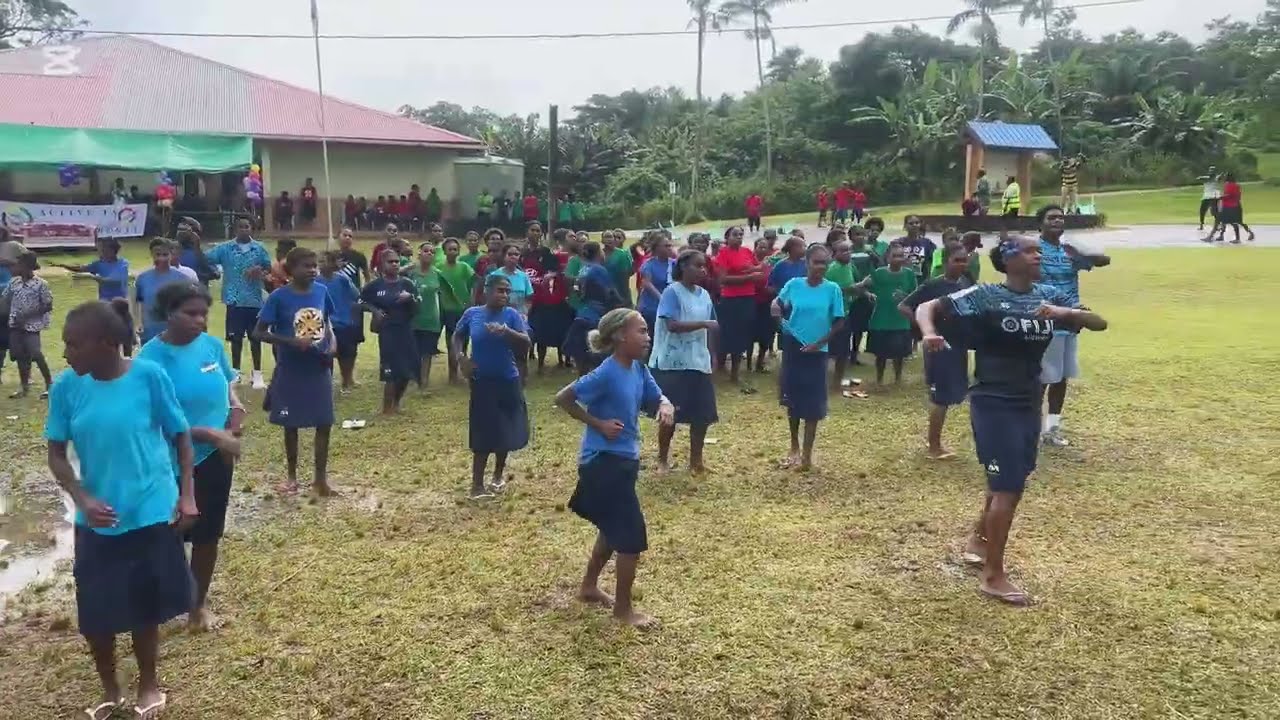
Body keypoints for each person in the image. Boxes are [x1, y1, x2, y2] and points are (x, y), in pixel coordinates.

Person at [915, 235, 1108, 605]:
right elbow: (927, 307)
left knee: (1012, 475)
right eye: (1031, 251)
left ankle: (979, 537)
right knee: (1008, 487)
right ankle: (993, 574)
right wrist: (929, 334)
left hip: (1028, 398)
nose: (1039, 256)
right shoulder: (985, 295)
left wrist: (1067, 314)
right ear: (1009, 259)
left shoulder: (1050, 294)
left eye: (1039, 251)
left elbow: (1098, 322)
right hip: (993, 400)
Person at [46, 300, 196, 720]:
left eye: (74, 345)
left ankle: (148, 683)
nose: (67, 353)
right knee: (96, 609)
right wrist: (83, 498)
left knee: (144, 606)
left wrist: (187, 495)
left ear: (108, 344)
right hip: (96, 519)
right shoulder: (67, 387)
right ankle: (110, 688)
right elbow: (56, 454)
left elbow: (180, 436)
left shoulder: (149, 377)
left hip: (148, 508)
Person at [555, 308, 675, 628]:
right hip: (602, 463)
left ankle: (589, 587)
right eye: (642, 331)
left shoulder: (637, 368)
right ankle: (623, 610)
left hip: (624, 461)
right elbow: (563, 398)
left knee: (613, 528)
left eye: (648, 332)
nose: (648, 337)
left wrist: (665, 404)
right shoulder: (606, 373)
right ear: (621, 336)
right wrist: (598, 423)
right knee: (631, 536)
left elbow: (656, 395)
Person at [138, 282, 245, 632]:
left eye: (203, 313)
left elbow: (227, 383)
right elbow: (151, 418)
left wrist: (235, 406)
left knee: (207, 535)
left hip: (215, 458)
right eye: (191, 313)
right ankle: (163, 603)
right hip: (169, 461)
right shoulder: (151, 360)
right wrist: (208, 433)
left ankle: (197, 607)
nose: (200, 320)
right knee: (169, 534)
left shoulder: (212, 347)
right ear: (168, 313)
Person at [254, 248, 337, 496]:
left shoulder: (322, 291)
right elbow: (258, 332)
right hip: (291, 368)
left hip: (319, 366)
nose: (312, 270)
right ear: (291, 270)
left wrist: (332, 343)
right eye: (306, 266)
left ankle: (320, 479)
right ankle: (292, 477)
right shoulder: (279, 297)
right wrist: (290, 342)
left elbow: (327, 321)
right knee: (291, 425)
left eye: (315, 265)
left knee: (324, 422)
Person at [1036, 204, 1112, 447]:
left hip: (1071, 320)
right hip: (1045, 320)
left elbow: (1104, 260)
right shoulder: (1034, 250)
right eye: (1051, 218)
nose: (1057, 221)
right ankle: (1031, 427)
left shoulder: (1069, 251)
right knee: (1042, 378)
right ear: (1041, 223)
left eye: (1060, 218)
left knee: (1061, 378)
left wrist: (1080, 250)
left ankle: (1052, 428)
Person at [454, 274, 531, 498]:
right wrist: (461, 358)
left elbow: (526, 343)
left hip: (508, 379)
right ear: (486, 291)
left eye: (507, 291)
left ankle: (497, 476)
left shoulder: (512, 315)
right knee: (482, 432)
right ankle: (477, 485)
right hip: (481, 381)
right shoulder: (473, 314)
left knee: (505, 430)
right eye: (500, 290)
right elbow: (458, 336)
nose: (504, 295)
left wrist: (506, 331)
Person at [772, 244, 845, 470]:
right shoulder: (793, 285)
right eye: (816, 262)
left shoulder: (832, 289)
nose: (820, 267)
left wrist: (820, 343)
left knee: (813, 404)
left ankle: (807, 455)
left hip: (817, 352)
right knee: (793, 400)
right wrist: (776, 313)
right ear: (807, 263)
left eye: (825, 262)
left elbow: (839, 320)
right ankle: (794, 446)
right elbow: (777, 304)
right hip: (794, 348)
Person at [899, 244, 973, 459]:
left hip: (959, 345)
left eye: (964, 260)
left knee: (952, 393)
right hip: (939, 347)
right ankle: (933, 446)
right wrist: (925, 327)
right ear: (946, 261)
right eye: (957, 260)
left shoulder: (966, 283)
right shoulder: (933, 285)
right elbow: (904, 306)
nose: (961, 264)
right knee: (939, 396)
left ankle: (937, 442)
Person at [650, 250, 718, 474]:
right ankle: (662, 460)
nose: (703, 270)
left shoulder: (705, 295)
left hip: (698, 361)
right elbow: (672, 325)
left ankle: (696, 462)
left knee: (702, 415)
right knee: (671, 415)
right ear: (683, 267)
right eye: (697, 266)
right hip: (673, 362)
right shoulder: (672, 293)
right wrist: (703, 324)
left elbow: (712, 326)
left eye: (704, 266)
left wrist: (712, 355)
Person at [204, 217, 272, 389]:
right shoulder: (225, 248)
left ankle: (257, 373)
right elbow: (206, 259)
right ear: (235, 230)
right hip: (233, 299)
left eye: (247, 226)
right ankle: (235, 371)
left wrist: (261, 270)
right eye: (240, 227)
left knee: (255, 337)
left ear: (251, 229)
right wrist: (214, 273)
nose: (244, 230)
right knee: (236, 338)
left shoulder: (259, 249)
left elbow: (269, 267)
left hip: (254, 299)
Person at [361, 250, 420, 414]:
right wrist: (375, 311)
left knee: (407, 370)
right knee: (390, 371)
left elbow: (417, 308)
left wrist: (410, 299)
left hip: (406, 329)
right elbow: (360, 302)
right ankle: (387, 408)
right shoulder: (375, 285)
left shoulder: (407, 284)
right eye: (390, 262)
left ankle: (397, 402)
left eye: (396, 262)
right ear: (382, 264)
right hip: (387, 331)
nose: (394, 264)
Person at [856, 244, 917, 386]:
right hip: (881, 320)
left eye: (901, 255)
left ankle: (897, 378)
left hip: (900, 320)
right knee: (880, 354)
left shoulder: (909, 274)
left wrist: (906, 296)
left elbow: (916, 295)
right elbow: (860, 286)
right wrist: (869, 294)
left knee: (899, 354)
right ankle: (879, 379)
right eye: (895, 256)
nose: (898, 259)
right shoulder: (879, 273)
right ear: (887, 257)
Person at [564, 241, 624, 376]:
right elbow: (610, 293)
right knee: (597, 355)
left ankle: (583, 381)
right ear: (598, 253)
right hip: (595, 317)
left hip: (582, 313)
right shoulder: (598, 269)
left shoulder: (584, 268)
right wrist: (621, 306)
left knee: (581, 356)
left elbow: (578, 290)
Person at [713, 226, 762, 387]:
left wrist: (758, 270)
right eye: (735, 235)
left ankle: (736, 371)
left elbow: (756, 268)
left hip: (748, 297)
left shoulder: (747, 252)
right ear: (727, 237)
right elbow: (723, 279)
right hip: (731, 299)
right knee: (730, 334)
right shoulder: (723, 254)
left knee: (743, 334)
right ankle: (724, 368)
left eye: (741, 234)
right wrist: (749, 277)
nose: (739, 237)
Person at [3, 252, 54, 399]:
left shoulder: (41, 284)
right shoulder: (14, 283)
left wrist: (28, 315)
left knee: (36, 353)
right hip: (15, 324)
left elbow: (48, 305)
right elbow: (5, 299)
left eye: (18, 264)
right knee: (20, 356)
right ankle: (24, 387)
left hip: (32, 325)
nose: (14, 267)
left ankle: (49, 384)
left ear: (27, 266)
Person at [521, 223, 567, 374]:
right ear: (526, 232)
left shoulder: (546, 252)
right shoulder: (522, 252)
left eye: (538, 231)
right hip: (525, 296)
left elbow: (555, 271)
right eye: (532, 230)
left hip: (543, 297)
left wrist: (549, 276)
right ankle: (526, 357)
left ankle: (550, 362)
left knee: (544, 329)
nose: (535, 233)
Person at [133, 239, 193, 348]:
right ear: (151, 254)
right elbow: (137, 302)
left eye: (165, 254)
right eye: (157, 254)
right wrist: (138, 323)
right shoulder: (142, 278)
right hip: (150, 330)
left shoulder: (182, 279)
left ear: (171, 254)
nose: (161, 258)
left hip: (175, 331)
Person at [319, 250, 363, 391]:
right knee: (327, 355)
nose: (320, 264)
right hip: (325, 324)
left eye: (323, 261)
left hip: (343, 322)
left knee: (347, 354)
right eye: (319, 262)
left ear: (333, 263)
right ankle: (326, 384)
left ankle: (347, 380)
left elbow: (356, 295)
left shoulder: (342, 279)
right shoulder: (315, 281)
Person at [438, 238, 476, 383]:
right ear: (444, 251)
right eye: (450, 249)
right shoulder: (439, 267)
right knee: (451, 341)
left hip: (463, 309)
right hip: (447, 310)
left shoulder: (465, 267)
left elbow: (473, 284)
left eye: (455, 249)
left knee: (464, 341)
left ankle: (463, 370)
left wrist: (470, 302)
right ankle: (452, 374)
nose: (453, 252)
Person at [407, 242, 444, 390]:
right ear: (419, 253)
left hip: (431, 319)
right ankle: (412, 378)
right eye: (426, 251)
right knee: (412, 350)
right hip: (413, 319)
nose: (429, 253)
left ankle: (424, 382)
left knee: (427, 352)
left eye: (432, 252)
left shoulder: (437, 274)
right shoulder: (410, 272)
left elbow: (443, 295)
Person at [54, 237, 130, 302]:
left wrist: (92, 277)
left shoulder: (123, 263)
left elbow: (115, 280)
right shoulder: (98, 264)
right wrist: (63, 265)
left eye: (104, 250)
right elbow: (80, 269)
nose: (101, 252)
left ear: (113, 250)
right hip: (104, 302)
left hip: (120, 303)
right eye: (101, 250)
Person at [845, 226, 878, 366]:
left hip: (869, 291)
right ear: (851, 237)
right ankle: (849, 353)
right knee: (852, 326)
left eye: (863, 234)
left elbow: (879, 266)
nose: (861, 237)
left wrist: (874, 256)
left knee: (866, 325)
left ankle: (860, 352)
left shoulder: (869, 251)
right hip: (855, 291)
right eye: (857, 235)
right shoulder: (848, 252)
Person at [636, 233, 674, 344]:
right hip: (652, 307)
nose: (669, 248)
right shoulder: (649, 264)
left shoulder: (673, 264)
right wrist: (661, 298)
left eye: (669, 245)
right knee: (652, 338)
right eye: (665, 246)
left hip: (669, 307)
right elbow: (647, 284)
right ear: (657, 248)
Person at [749, 237, 776, 372]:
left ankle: (760, 362)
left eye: (766, 247)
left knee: (766, 334)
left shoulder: (771, 263)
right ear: (755, 248)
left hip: (767, 303)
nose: (763, 249)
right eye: (760, 246)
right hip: (751, 303)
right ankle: (748, 362)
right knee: (749, 333)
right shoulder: (750, 262)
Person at [490, 242, 534, 319]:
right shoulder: (494, 275)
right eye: (510, 254)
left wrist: (525, 312)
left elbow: (529, 299)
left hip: (520, 317)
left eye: (516, 254)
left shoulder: (524, 276)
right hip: (498, 316)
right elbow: (488, 298)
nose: (513, 257)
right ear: (504, 256)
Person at [1210, 172, 1255, 244]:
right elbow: (1236, 196)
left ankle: (1236, 238)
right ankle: (1222, 235)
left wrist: (1220, 198)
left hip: (1231, 206)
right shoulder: (1235, 185)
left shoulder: (1229, 185)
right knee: (1229, 221)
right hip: (1235, 205)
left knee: (1225, 221)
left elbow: (1229, 195)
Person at [896, 214, 936, 283]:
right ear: (905, 226)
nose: (914, 225)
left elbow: (931, 262)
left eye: (917, 223)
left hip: (921, 280)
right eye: (911, 223)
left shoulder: (927, 243)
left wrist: (929, 278)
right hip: (902, 280)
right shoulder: (899, 243)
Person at [1196, 166, 1220, 232]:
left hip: (1213, 196)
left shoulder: (1216, 178)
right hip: (1206, 196)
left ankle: (1217, 226)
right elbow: (1200, 178)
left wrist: (1201, 177)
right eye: (1210, 170)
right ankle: (1201, 225)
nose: (1211, 171)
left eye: (1212, 170)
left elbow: (1214, 178)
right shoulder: (1207, 178)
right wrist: (1202, 177)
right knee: (1202, 211)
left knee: (1214, 212)